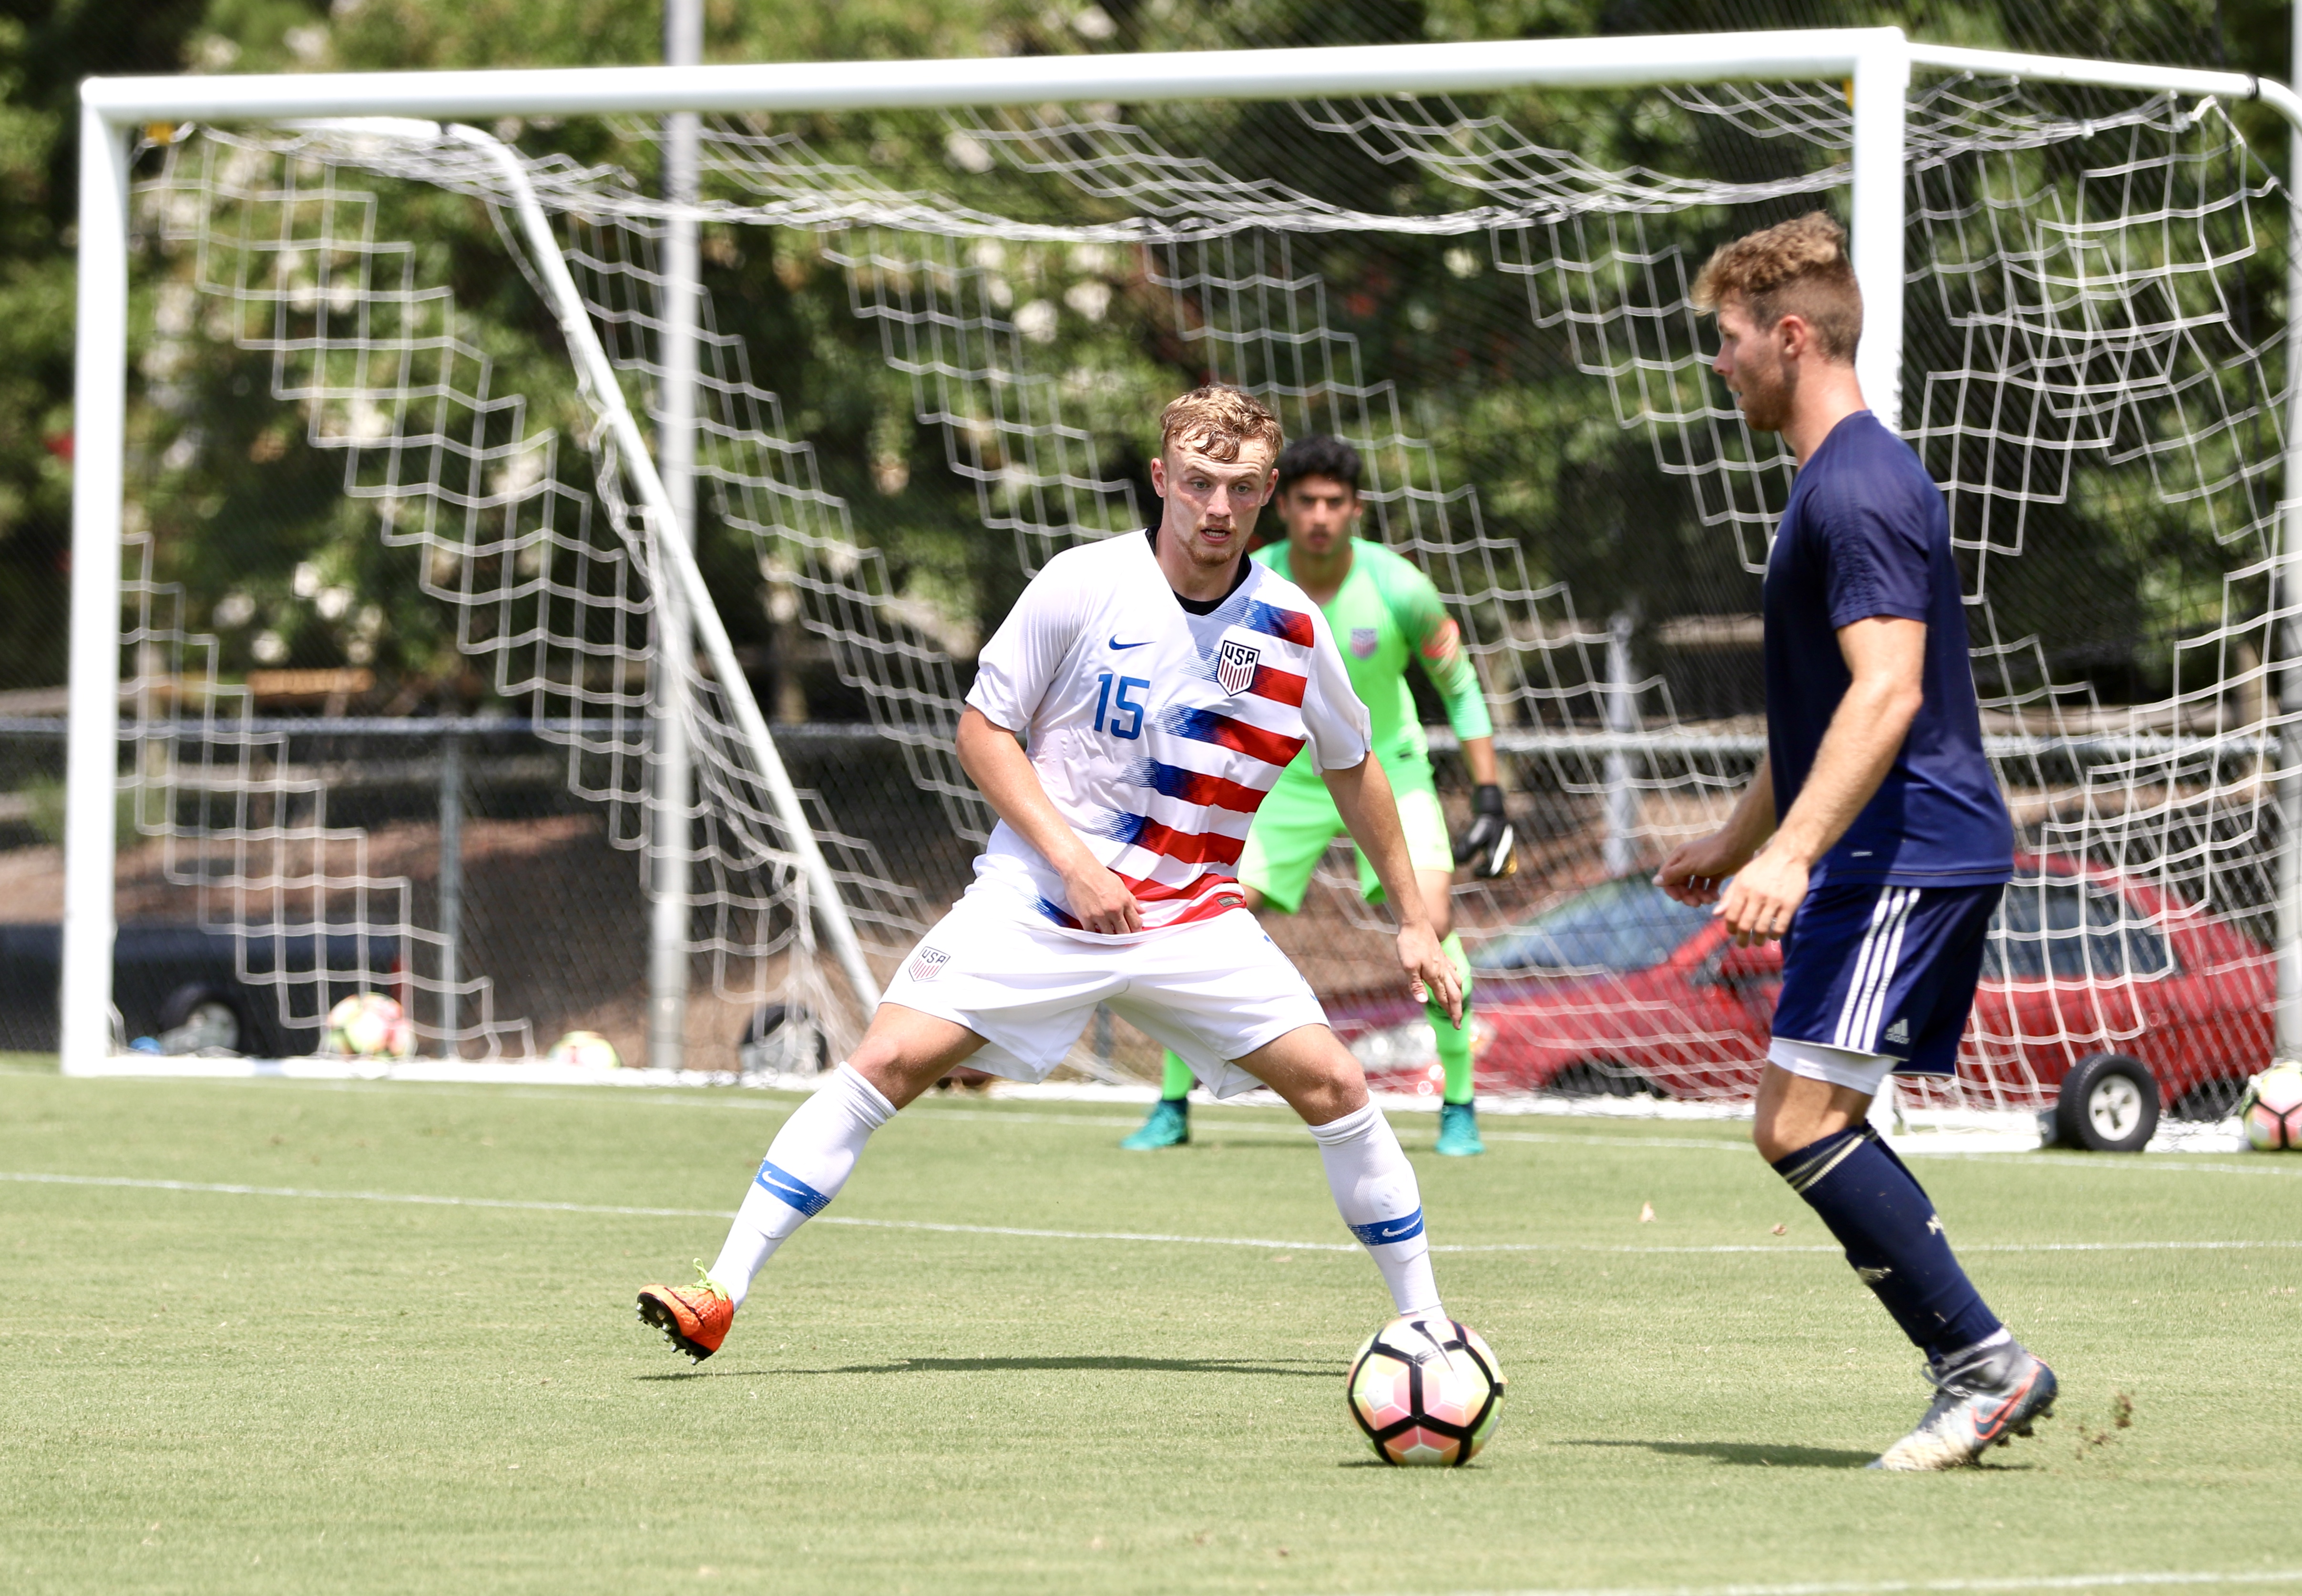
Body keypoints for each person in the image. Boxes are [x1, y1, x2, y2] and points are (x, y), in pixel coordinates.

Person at [637, 386, 1463, 1362]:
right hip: (1038, 901)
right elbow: (983, 731)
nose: (1216, 507)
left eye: (1240, 488)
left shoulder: (1288, 626)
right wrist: (1073, 864)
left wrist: (1413, 917)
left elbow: (1352, 764)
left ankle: (1428, 1327)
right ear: (1162, 479)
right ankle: (720, 1290)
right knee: (889, 1063)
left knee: (1334, 1085)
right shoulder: (1082, 584)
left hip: (1193, 921)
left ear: (1269, 496)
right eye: (1197, 482)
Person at [1655, 214, 2054, 1471]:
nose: (1716, 365)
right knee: (1798, 1116)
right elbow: (1822, 712)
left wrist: (1791, 855)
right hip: (1886, 846)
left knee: (1793, 1119)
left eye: (1725, 342)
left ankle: (1980, 1363)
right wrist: (1737, 837)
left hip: (1905, 847)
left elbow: (1885, 692)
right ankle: (1978, 1358)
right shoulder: (1829, 482)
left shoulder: (1860, 484)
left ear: (1787, 336)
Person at [1122, 436, 1510, 1158]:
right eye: (1306, 501)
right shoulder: (1249, 581)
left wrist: (1488, 794)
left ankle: (1458, 1103)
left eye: (1335, 501)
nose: (1321, 515)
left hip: (1386, 772)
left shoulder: (1399, 588)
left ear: (1355, 509)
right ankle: (1173, 1102)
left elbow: (1458, 687)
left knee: (1431, 920)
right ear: (1281, 503)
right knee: (1193, 912)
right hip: (1280, 782)